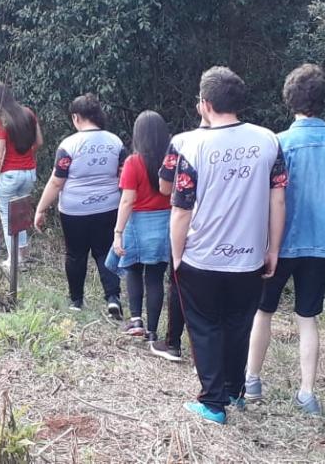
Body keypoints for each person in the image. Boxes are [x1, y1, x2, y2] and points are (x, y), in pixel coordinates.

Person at [168, 66, 287, 425]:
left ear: (205, 103)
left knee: (204, 327)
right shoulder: (268, 140)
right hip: (249, 257)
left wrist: (177, 256)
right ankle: (234, 393)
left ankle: (212, 402)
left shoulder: (192, 144)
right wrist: (273, 248)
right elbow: (278, 199)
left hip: (201, 256)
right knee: (238, 324)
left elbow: (181, 209)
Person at [246, 64, 325, 415]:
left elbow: (266, 198)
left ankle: (251, 380)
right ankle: (307, 394)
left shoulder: (278, 142)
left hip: (278, 243)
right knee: (308, 317)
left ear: (288, 99)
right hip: (322, 242)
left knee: (263, 310)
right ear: (324, 100)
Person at [34, 94, 126, 316]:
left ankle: (76, 301)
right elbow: (123, 176)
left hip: (75, 210)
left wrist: (41, 208)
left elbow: (57, 181)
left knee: (75, 255)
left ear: (76, 117)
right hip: (109, 206)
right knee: (105, 252)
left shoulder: (69, 145)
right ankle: (113, 298)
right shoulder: (115, 142)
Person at [149, 103, 209, 363]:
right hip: (237, 233)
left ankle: (174, 343)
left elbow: (164, 186)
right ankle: (211, 358)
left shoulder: (183, 141)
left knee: (181, 285)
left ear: (202, 105)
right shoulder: (256, 140)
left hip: (192, 225)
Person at [107, 110, 171, 341]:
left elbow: (127, 199)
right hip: (164, 224)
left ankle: (136, 320)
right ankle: (153, 331)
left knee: (133, 271)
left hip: (136, 224)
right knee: (155, 278)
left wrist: (118, 232)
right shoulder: (171, 161)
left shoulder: (133, 162)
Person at [0, 81, 43, 269]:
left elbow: (0, 155)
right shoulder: (28, 113)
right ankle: (22, 257)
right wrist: (26, 157)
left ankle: (14, 261)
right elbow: (39, 141)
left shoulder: (0, 122)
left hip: (9, 175)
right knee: (21, 214)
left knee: (8, 217)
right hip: (29, 173)